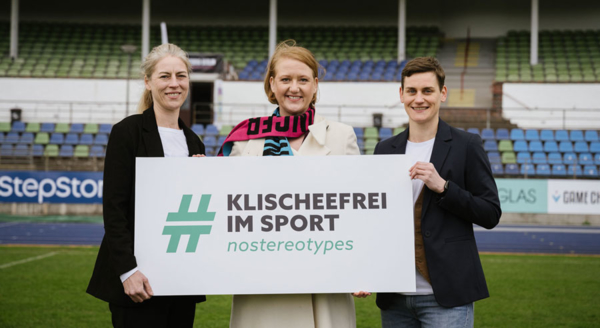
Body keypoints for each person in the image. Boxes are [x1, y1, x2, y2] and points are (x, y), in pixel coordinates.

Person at [219, 40, 360, 328]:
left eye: (303, 80)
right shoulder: (245, 139)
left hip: (322, 286)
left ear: (315, 85)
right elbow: (225, 206)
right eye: (285, 79)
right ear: (272, 85)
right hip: (261, 286)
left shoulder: (342, 136)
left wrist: (361, 267)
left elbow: (358, 211)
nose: (294, 88)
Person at [373, 57, 501, 327]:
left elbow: (490, 213)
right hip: (394, 298)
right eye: (412, 91)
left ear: (442, 93)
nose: (419, 99)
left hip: (448, 295)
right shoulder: (384, 149)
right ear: (401, 95)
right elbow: (375, 220)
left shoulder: (467, 145)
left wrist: (443, 187)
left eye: (427, 91)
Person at [87, 43, 206, 328]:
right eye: (165, 76)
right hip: (138, 282)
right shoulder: (127, 132)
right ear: (148, 81)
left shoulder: (195, 142)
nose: (174, 84)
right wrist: (128, 271)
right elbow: (114, 209)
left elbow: (194, 210)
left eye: (181, 75)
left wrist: (204, 180)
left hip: (179, 280)